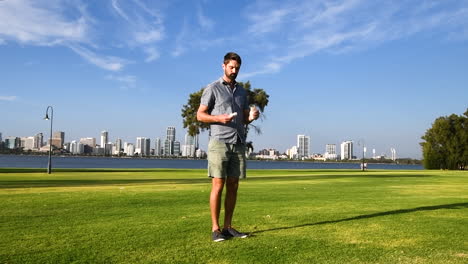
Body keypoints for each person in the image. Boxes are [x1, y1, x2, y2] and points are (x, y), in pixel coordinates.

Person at [197, 52, 259, 242]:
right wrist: (218, 118)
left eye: (237, 68)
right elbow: (200, 115)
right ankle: (216, 229)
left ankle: (228, 227)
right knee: (218, 184)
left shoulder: (241, 91)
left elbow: (245, 117)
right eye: (231, 67)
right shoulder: (213, 88)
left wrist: (251, 116)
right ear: (223, 66)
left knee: (234, 185)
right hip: (219, 142)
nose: (234, 71)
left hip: (238, 142)